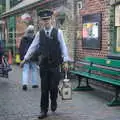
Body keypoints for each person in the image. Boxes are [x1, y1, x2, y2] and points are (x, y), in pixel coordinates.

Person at [20, 9, 70, 119]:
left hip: (55, 66)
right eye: (44, 20)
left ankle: (53, 100)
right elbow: (32, 47)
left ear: (51, 20)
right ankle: (43, 110)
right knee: (44, 89)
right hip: (44, 66)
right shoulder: (39, 34)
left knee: (53, 87)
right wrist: (25, 59)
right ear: (41, 21)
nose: (46, 21)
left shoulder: (58, 32)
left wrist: (65, 61)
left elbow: (63, 47)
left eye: (47, 19)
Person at [19, 25, 39, 91]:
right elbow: (37, 48)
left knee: (25, 71)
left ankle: (25, 84)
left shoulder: (23, 38)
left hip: (25, 57)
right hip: (33, 56)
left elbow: (21, 49)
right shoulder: (35, 38)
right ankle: (34, 84)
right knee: (34, 70)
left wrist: (22, 58)